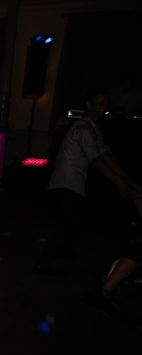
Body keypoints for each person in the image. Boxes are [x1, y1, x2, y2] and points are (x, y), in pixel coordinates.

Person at [38, 90, 142, 273]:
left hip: (74, 184)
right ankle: (44, 265)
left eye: (106, 104)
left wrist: (127, 181)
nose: (104, 108)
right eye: (99, 104)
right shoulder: (83, 129)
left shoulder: (92, 129)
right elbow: (97, 160)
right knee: (64, 226)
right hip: (65, 184)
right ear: (88, 105)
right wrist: (122, 184)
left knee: (73, 222)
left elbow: (105, 157)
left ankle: (62, 257)